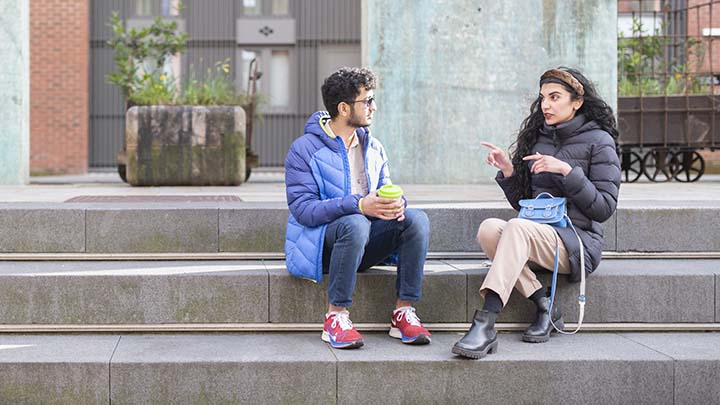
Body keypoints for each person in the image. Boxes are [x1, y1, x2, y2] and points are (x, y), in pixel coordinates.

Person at [452, 67, 621, 359]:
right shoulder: (538, 138)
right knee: (489, 229)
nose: (546, 105)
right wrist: (507, 171)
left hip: (577, 242)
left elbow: (604, 208)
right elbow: (524, 204)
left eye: (555, 97)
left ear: (577, 101)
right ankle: (545, 304)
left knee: (516, 228)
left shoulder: (599, 142)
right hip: (536, 234)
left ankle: (487, 322)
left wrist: (568, 171)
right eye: (543, 97)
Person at [284, 67, 432, 350]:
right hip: (321, 246)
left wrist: (395, 206)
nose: (373, 107)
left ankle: (403, 312)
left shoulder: (373, 147)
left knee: (416, 220)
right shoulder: (303, 149)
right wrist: (359, 205)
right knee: (355, 222)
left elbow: (384, 188)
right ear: (343, 108)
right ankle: (336, 317)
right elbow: (304, 210)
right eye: (367, 101)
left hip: (363, 243)